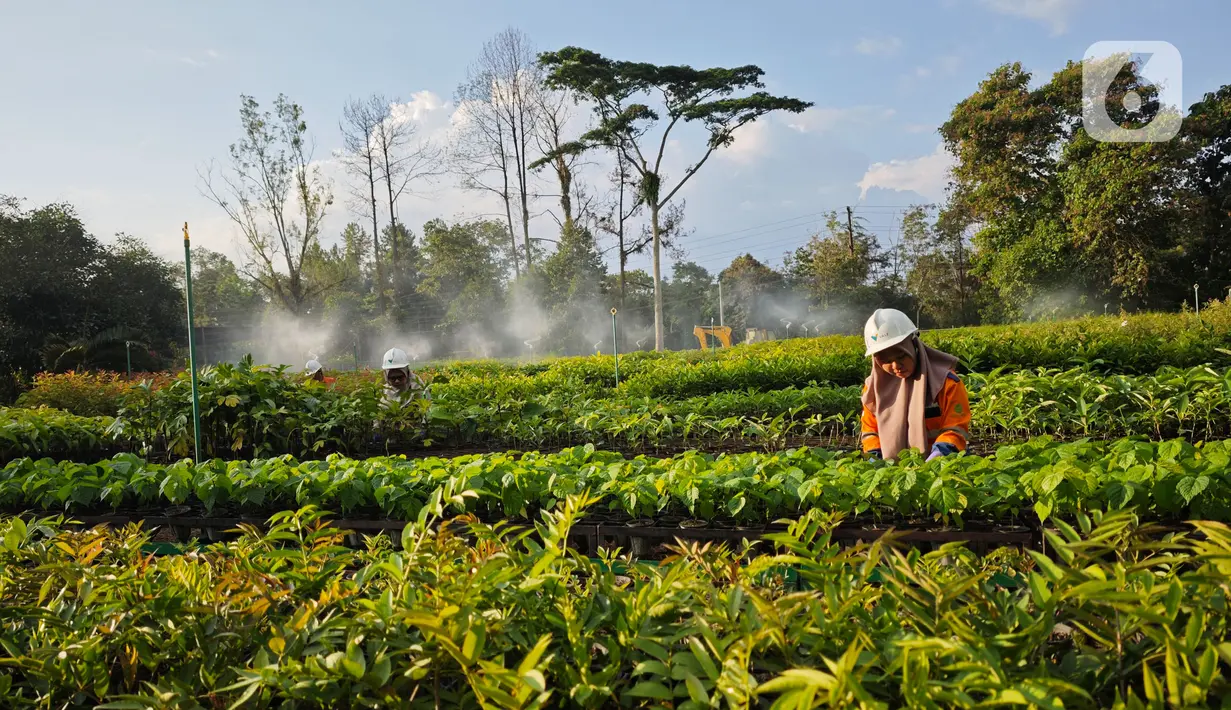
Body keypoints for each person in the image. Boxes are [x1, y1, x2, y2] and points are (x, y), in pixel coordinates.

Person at [859, 308, 970, 462]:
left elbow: (956, 428)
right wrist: (875, 458)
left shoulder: (946, 383)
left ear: (914, 346)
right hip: (892, 471)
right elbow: (870, 431)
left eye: (901, 355)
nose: (896, 365)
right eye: (886, 361)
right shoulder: (873, 389)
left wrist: (937, 458)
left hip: (944, 465)